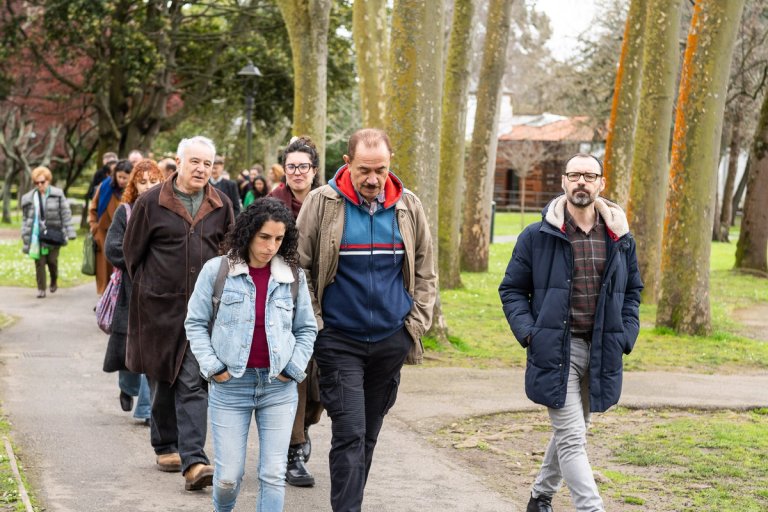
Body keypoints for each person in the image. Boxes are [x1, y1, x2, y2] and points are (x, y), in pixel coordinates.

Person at [297, 128, 437, 511]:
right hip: (339, 340)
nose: (373, 179)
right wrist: (317, 327)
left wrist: (413, 327)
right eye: (364, 170)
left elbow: (426, 270)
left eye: (381, 169)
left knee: (368, 434)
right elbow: (300, 268)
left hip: (391, 340)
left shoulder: (409, 206)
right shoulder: (321, 203)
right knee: (350, 432)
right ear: (347, 164)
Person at [498, 154, 643, 512]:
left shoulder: (619, 238)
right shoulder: (537, 236)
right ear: (563, 182)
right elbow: (512, 289)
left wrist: (625, 334)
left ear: (601, 184)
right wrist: (530, 333)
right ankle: (591, 508)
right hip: (555, 349)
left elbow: (633, 291)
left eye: (589, 176)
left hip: (601, 350)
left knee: (571, 433)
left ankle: (540, 496)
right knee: (574, 437)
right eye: (574, 175)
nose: (581, 182)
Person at [186, 198, 317, 512]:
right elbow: (195, 322)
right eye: (264, 237)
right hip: (230, 388)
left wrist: (294, 368)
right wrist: (214, 367)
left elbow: (307, 329)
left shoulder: (293, 278)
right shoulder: (217, 271)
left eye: (278, 239)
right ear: (247, 234)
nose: (271, 246)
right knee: (228, 477)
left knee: (272, 474)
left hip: (278, 388)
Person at [124, 135, 234, 491]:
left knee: (191, 380)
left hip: (202, 312)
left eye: (207, 163)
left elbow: (230, 254)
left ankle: (194, 460)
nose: (201, 169)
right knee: (161, 380)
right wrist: (149, 289)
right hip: (158, 307)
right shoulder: (151, 202)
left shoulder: (221, 204)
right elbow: (132, 254)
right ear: (179, 161)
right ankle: (164, 443)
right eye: (195, 161)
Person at [269, 136, 323, 487]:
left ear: (314, 170)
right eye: (292, 166)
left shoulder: (331, 201)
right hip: (284, 297)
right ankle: (294, 449)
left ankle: (303, 429)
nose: (297, 172)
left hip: (327, 297)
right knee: (296, 371)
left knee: (319, 380)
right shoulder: (273, 203)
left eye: (304, 166)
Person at [104, 159, 165, 424]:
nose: (148, 186)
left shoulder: (168, 212)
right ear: (134, 185)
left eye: (153, 181)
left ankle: (147, 410)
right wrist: (141, 261)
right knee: (129, 349)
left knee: (151, 351)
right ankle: (127, 388)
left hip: (159, 293)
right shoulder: (125, 211)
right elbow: (113, 248)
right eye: (142, 182)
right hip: (131, 291)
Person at [20, 166, 77, 298]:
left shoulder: (57, 194)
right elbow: (25, 218)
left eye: (42, 182)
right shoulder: (29, 198)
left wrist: (70, 232)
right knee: (39, 262)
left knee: (52, 261)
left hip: (54, 234)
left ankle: (53, 280)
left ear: (48, 181)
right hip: (36, 235)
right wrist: (24, 233)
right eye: (37, 182)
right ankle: (41, 289)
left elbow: (65, 213)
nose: (40, 185)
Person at [88, 159, 132, 295]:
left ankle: (118, 296)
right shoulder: (105, 186)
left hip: (125, 234)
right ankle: (103, 297)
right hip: (103, 233)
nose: (122, 180)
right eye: (119, 177)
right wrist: (94, 227)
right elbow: (93, 208)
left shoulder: (133, 190)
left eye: (125, 177)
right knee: (103, 269)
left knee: (120, 268)